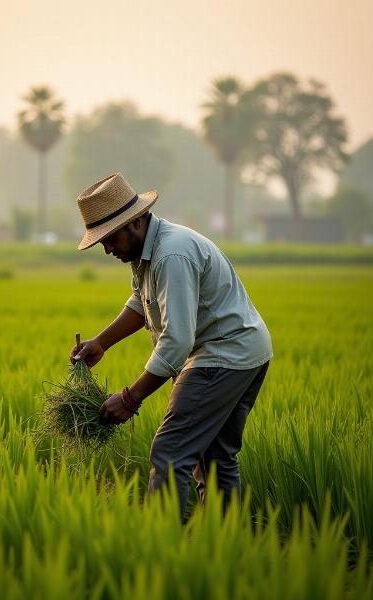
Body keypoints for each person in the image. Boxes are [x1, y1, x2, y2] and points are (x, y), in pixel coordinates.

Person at [69, 172, 272, 520]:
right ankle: (226, 545)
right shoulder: (148, 251)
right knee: (216, 455)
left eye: (109, 238)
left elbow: (176, 342)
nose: (107, 248)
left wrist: (131, 398)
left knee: (170, 451)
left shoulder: (171, 255)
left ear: (133, 223)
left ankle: (162, 546)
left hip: (222, 356)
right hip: (247, 353)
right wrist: (102, 342)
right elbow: (141, 301)